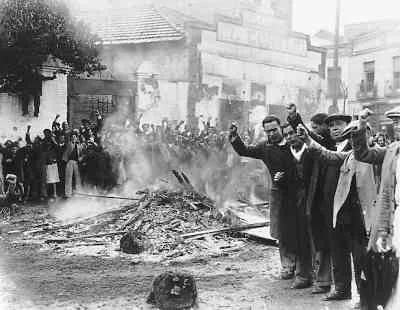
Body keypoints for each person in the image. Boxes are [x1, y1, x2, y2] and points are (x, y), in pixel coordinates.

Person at [299, 119, 378, 307]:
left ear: (369, 135)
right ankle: (342, 289)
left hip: (364, 214)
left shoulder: (377, 154)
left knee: (361, 258)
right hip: (342, 212)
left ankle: (365, 297)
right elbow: (327, 156)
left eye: (361, 134)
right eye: (353, 135)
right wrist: (309, 141)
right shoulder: (350, 154)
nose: (357, 138)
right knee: (338, 252)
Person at [229, 115, 300, 283]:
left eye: (274, 130)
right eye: (268, 131)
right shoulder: (265, 147)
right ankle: (287, 265)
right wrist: (234, 138)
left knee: (300, 229)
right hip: (279, 194)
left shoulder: (293, 143)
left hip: (298, 193)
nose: (271, 134)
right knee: (281, 231)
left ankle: (303, 265)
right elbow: (245, 150)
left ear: (281, 128)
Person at [351, 107, 400, 309]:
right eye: (395, 122)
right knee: (392, 269)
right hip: (395, 217)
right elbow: (363, 153)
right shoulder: (392, 150)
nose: (397, 126)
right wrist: (361, 126)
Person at [63, 131, 84, 198]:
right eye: (72, 137)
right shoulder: (69, 144)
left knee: (78, 178)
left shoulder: (79, 145)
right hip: (69, 161)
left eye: (74, 137)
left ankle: (79, 192)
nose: (73, 138)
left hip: (76, 162)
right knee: (68, 178)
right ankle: (68, 194)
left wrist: (81, 158)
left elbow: (81, 154)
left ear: (76, 138)